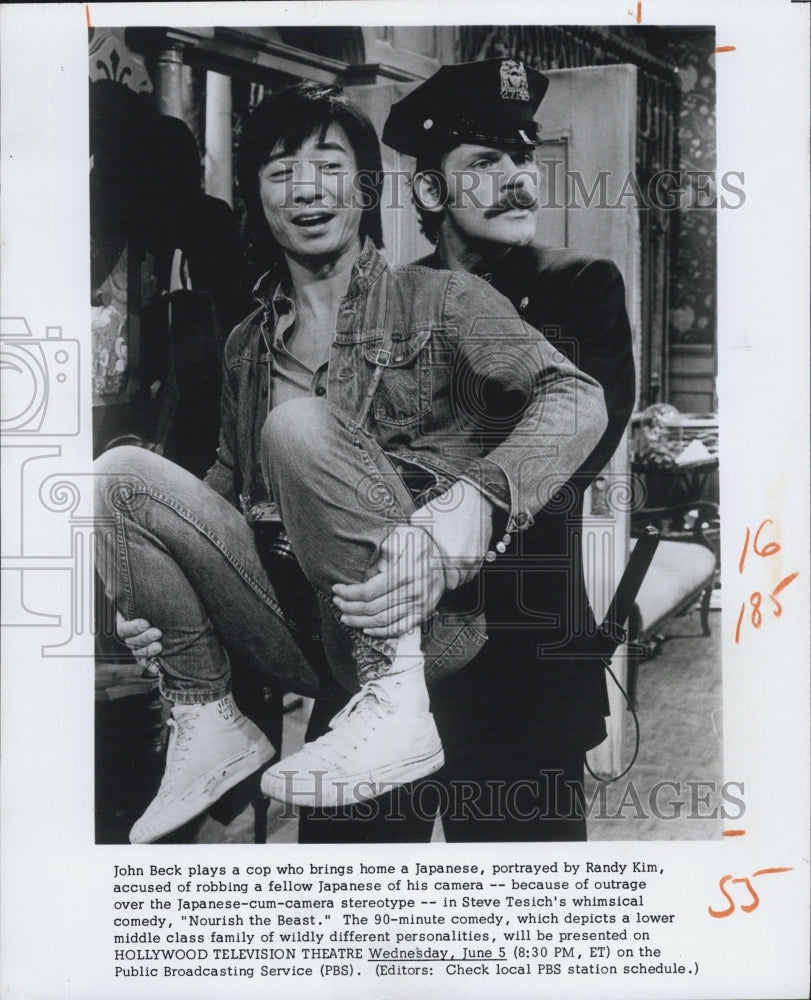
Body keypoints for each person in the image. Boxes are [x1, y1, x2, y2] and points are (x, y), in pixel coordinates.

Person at [98, 81, 607, 844]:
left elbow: (576, 396)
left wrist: (480, 501)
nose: (306, 188)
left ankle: (393, 693)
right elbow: (225, 496)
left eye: (330, 166)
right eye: (279, 171)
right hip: (308, 639)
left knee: (299, 426)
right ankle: (207, 718)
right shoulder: (245, 345)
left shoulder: (441, 297)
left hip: (424, 626)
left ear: (367, 190)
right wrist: (165, 599)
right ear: (256, 198)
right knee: (117, 475)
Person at [297, 58, 636, 843]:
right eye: (484, 161)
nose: (517, 176)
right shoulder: (377, 303)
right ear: (428, 192)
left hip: (523, 655)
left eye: (522, 155)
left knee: (527, 925)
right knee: (348, 908)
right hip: (379, 652)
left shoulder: (580, 285)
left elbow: (576, 449)